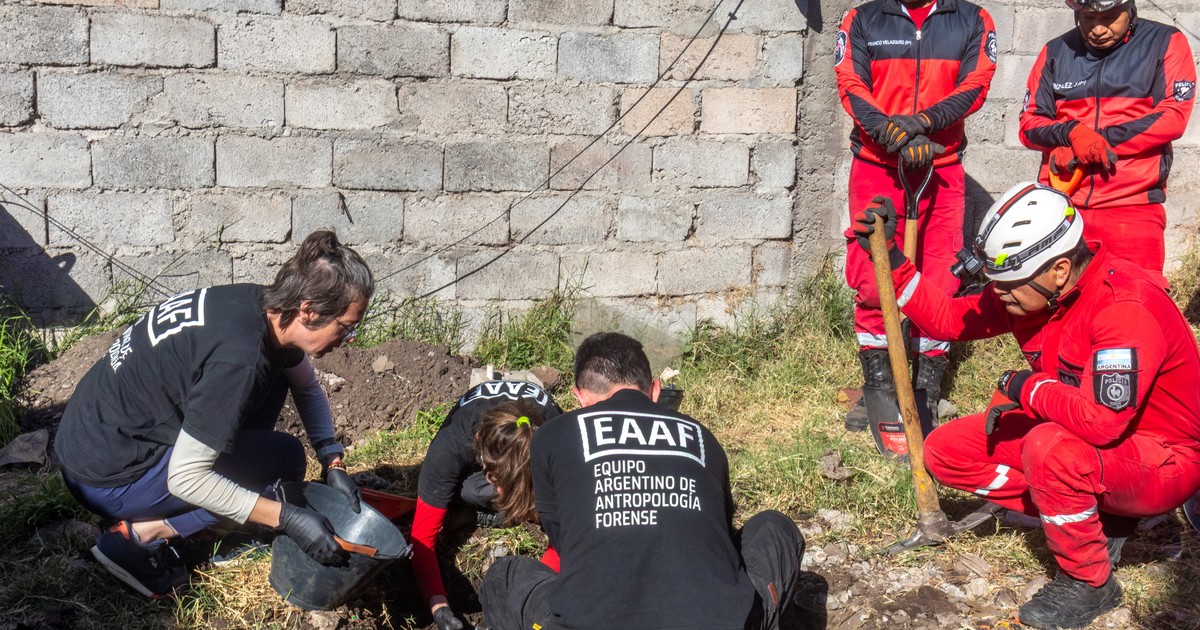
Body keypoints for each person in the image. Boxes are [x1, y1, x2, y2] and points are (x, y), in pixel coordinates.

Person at [850, 183, 1200, 629]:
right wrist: (894, 260)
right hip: (1086, 437)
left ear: (1059, 269)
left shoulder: (1123, 307)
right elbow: (948, 319)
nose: (999, 295)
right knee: (945, 451)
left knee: (1049, 448)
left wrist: (1027, 388)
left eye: (1008, 286)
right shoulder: (1030, 292)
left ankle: (1089, 581)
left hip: (1161, 461)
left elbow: (1102, 423)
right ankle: (1089, 518)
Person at [53, 230, 373, 599]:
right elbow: (186, 479)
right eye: (347, 327)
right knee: (283, 460)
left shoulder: (260, 307)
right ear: (308, 310)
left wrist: (332, 461)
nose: (348, 340)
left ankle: (181, 516)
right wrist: (284, 517)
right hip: (108, 478)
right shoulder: (240, 360)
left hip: (92, 442)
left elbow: (306, 387)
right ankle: (139, 537)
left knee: (276, 387)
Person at [479, 332, 805, 630]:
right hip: (717, 621)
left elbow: (564, 544)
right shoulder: (702, 437)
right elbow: (722, 535)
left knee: (503, 577)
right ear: (656, 391)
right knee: (774, 526)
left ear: (580, 397)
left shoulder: (552, 434)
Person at [835, 0, 998, 451]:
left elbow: (976, 85)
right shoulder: (861, 18)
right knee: (872, 280)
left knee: (940, 279)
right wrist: (889, 130)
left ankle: (927, 389)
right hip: (877, 166)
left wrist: (924, 123)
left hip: (940, 165)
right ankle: (881, 387)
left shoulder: (973, 19)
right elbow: (851, 84)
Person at [1020, 0, 1194, 281]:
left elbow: (1173, 117)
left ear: (1130, 10)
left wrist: (1094, 141)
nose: (1098, 29)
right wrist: (1070, 133)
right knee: (1059, 302)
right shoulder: (1055, 51)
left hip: (1132, 207)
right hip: (1063, 208)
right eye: (1088, 18)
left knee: (1136, 298)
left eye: (1110, 17)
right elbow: (1029, 124)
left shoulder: (1165, 42)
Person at [410, 379, 561, 630]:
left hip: (538, 457)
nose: (503, 494)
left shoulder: (561, 447)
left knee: (550, 503)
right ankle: (476, 510)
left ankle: (522, 497)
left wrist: (533, 595)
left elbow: (571, 538)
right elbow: (422, 538)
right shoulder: (451, 446)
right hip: (473, 462)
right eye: (498, 482)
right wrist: (439, 607)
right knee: (467, 490)